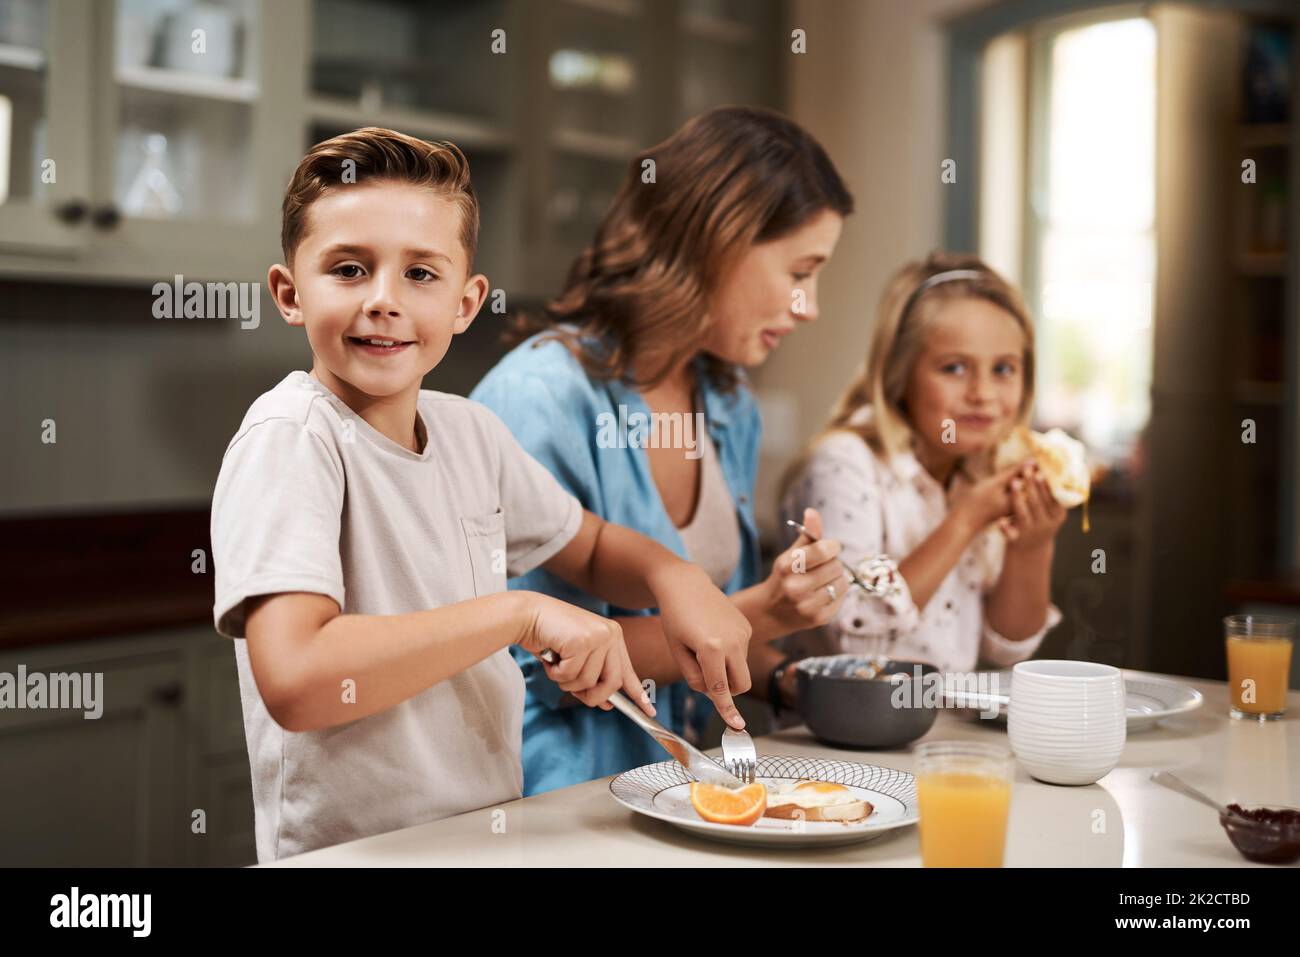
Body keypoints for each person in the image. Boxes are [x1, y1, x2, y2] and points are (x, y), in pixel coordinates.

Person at [210, 127, 749, 861]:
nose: (383, 301)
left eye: (420, 275)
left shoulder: (471, 433)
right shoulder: (291, 438)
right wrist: (519, 612)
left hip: (481, 838)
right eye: (348, 268)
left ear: (467, 303)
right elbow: (299, 677)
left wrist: (672, 574)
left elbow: (586, 546)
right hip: (352, 857)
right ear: (288, 293)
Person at [471, 107, 855, 794]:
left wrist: (787, 676)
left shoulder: (728, 402)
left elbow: (703, 634)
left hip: (672, 790)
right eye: (802, 270)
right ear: (719, 243)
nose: (810, 305)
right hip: (548, 807)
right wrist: (766, 606)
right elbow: (530, 666)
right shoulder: (537, 399)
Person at [780, 252, 1064, 676]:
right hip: (836, 737)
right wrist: (965, 521)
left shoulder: (983, 471)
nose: (983, 393)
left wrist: (1031, 548)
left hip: (942, 731)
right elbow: (857, 632)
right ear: (900, 372)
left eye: (1004, 369)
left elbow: (1007, 649)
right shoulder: (843, 463)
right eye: (954, 368)